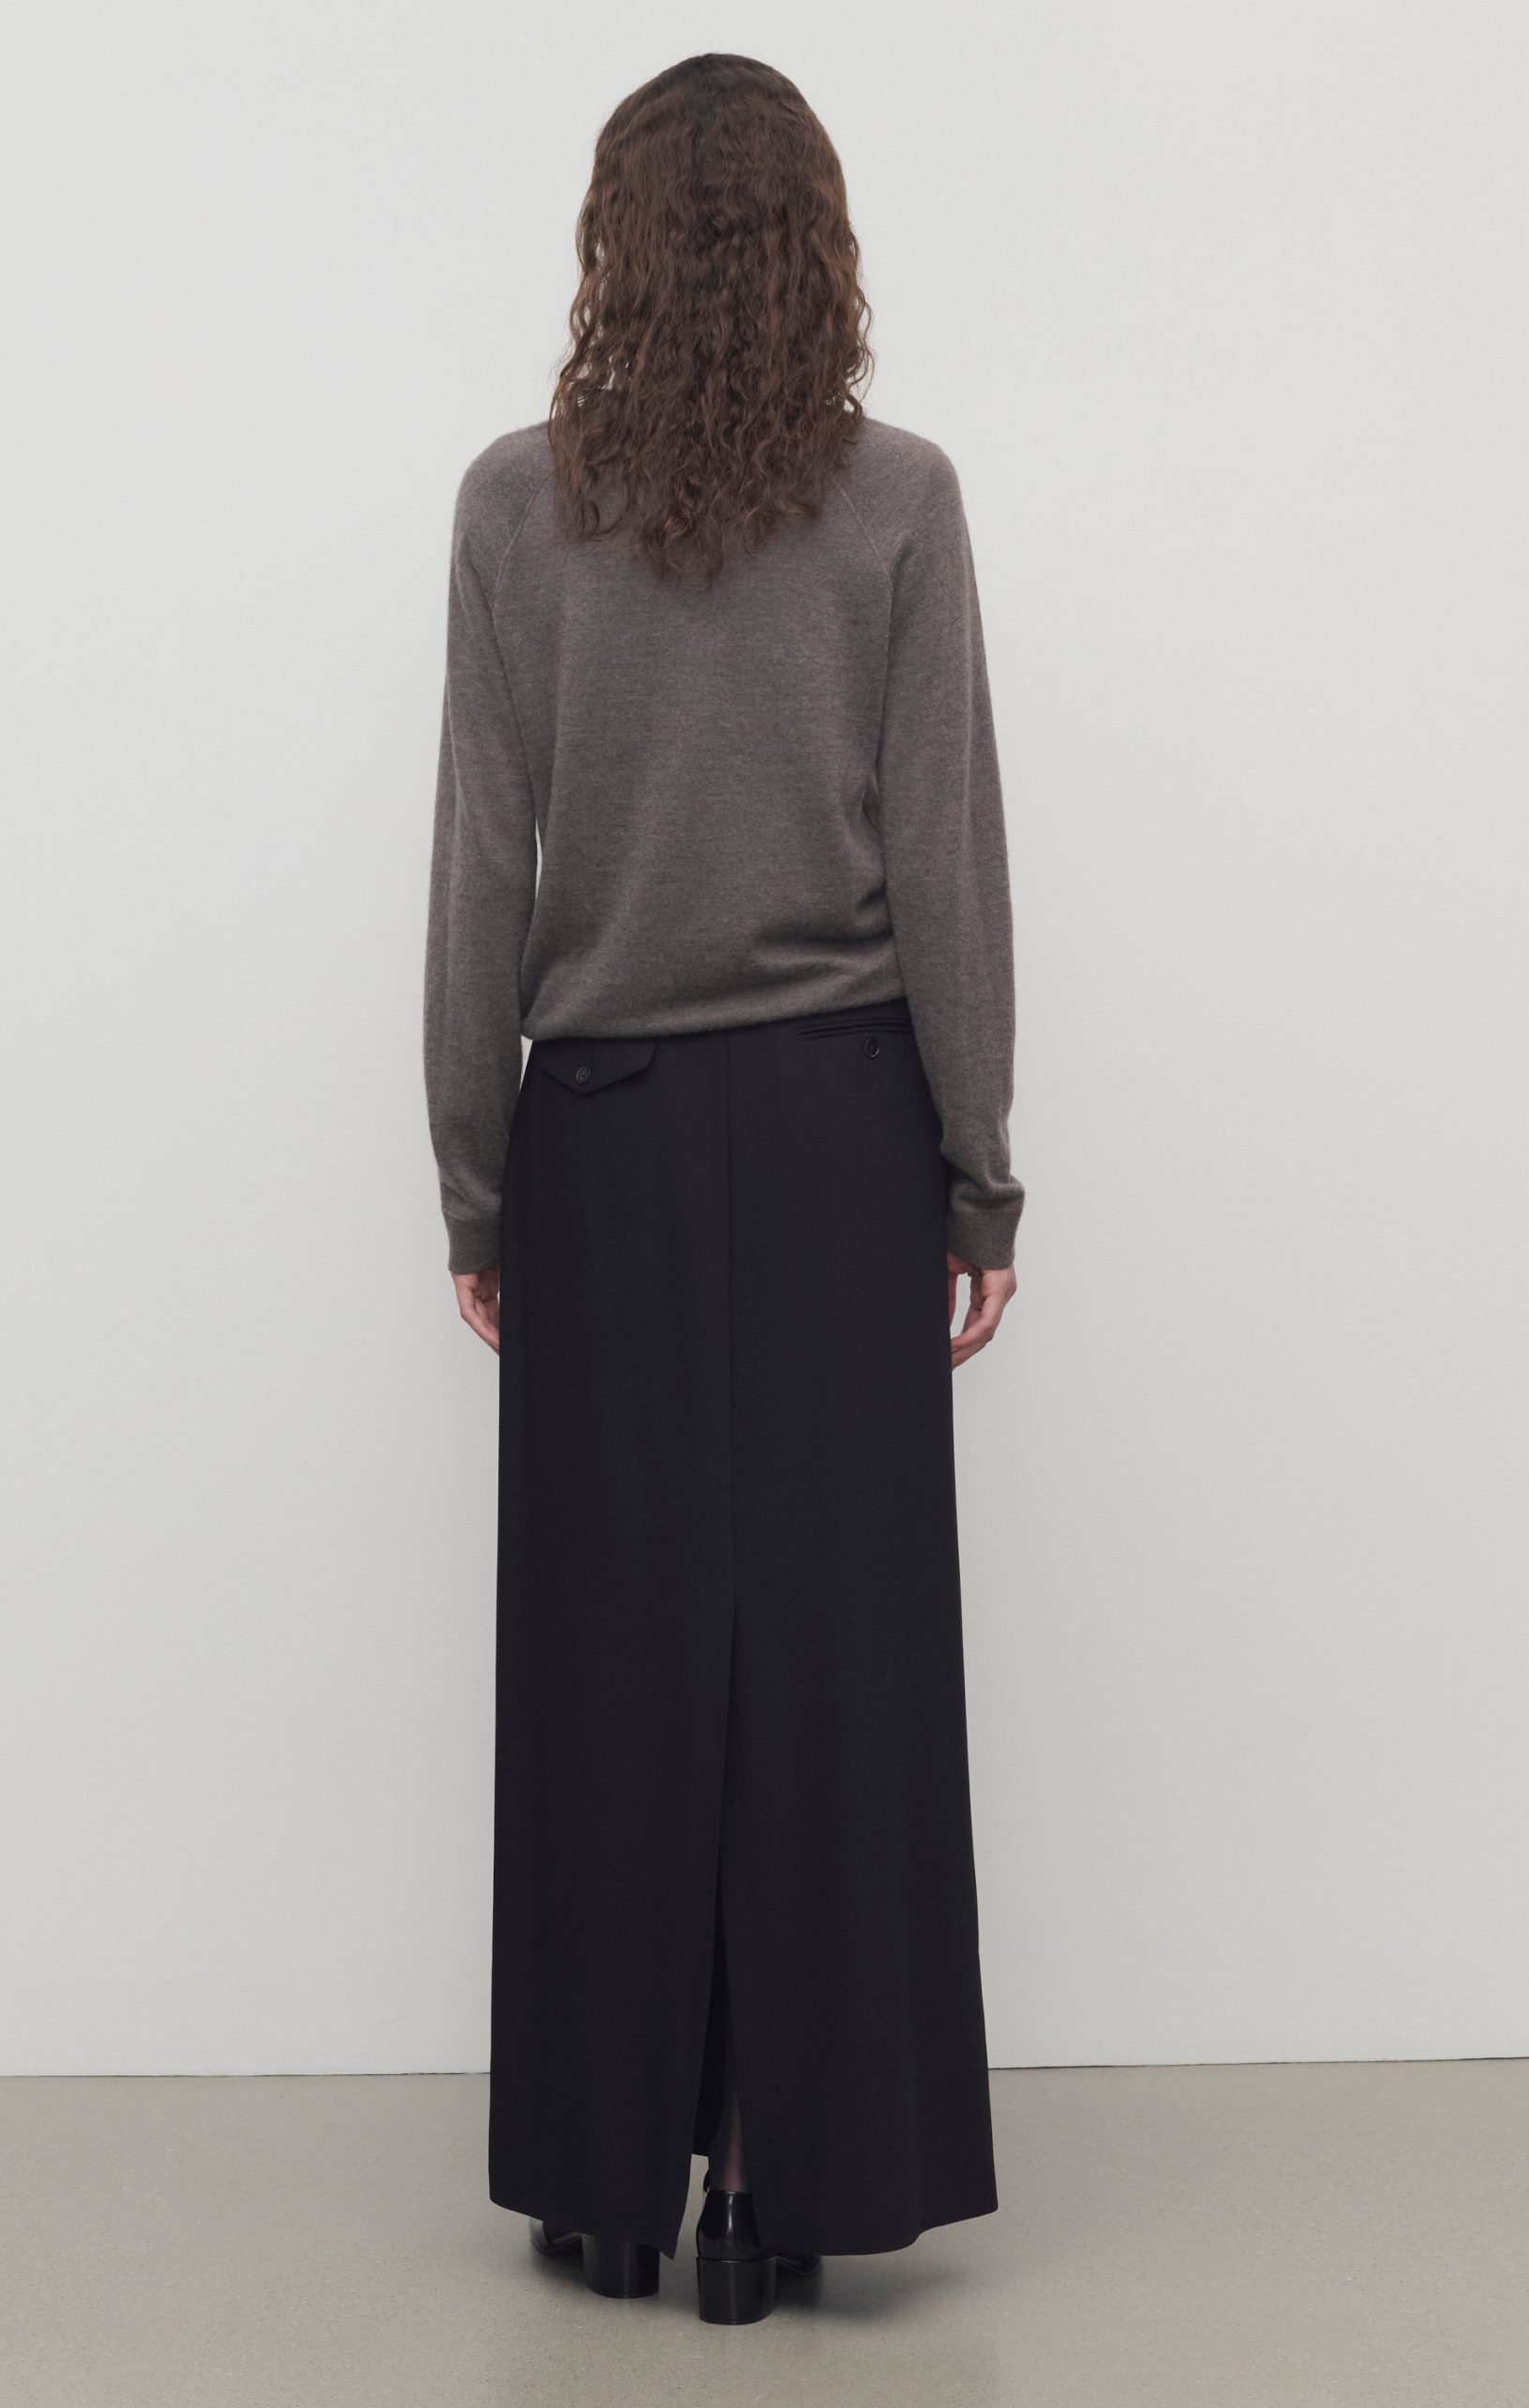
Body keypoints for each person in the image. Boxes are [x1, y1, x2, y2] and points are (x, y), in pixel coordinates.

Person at [423, 52, 1022, 2327]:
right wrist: (974, 1171)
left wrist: (475, 1181)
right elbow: (943, 860)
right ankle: (782, 2175)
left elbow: (481, 866)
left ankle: (604, 2170)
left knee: (610, 1653)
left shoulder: (515, 503)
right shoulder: (897, 500)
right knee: (827, 1665)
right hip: (841, 1123)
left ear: (615, 248)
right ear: (816, 249)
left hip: (601, 1130)